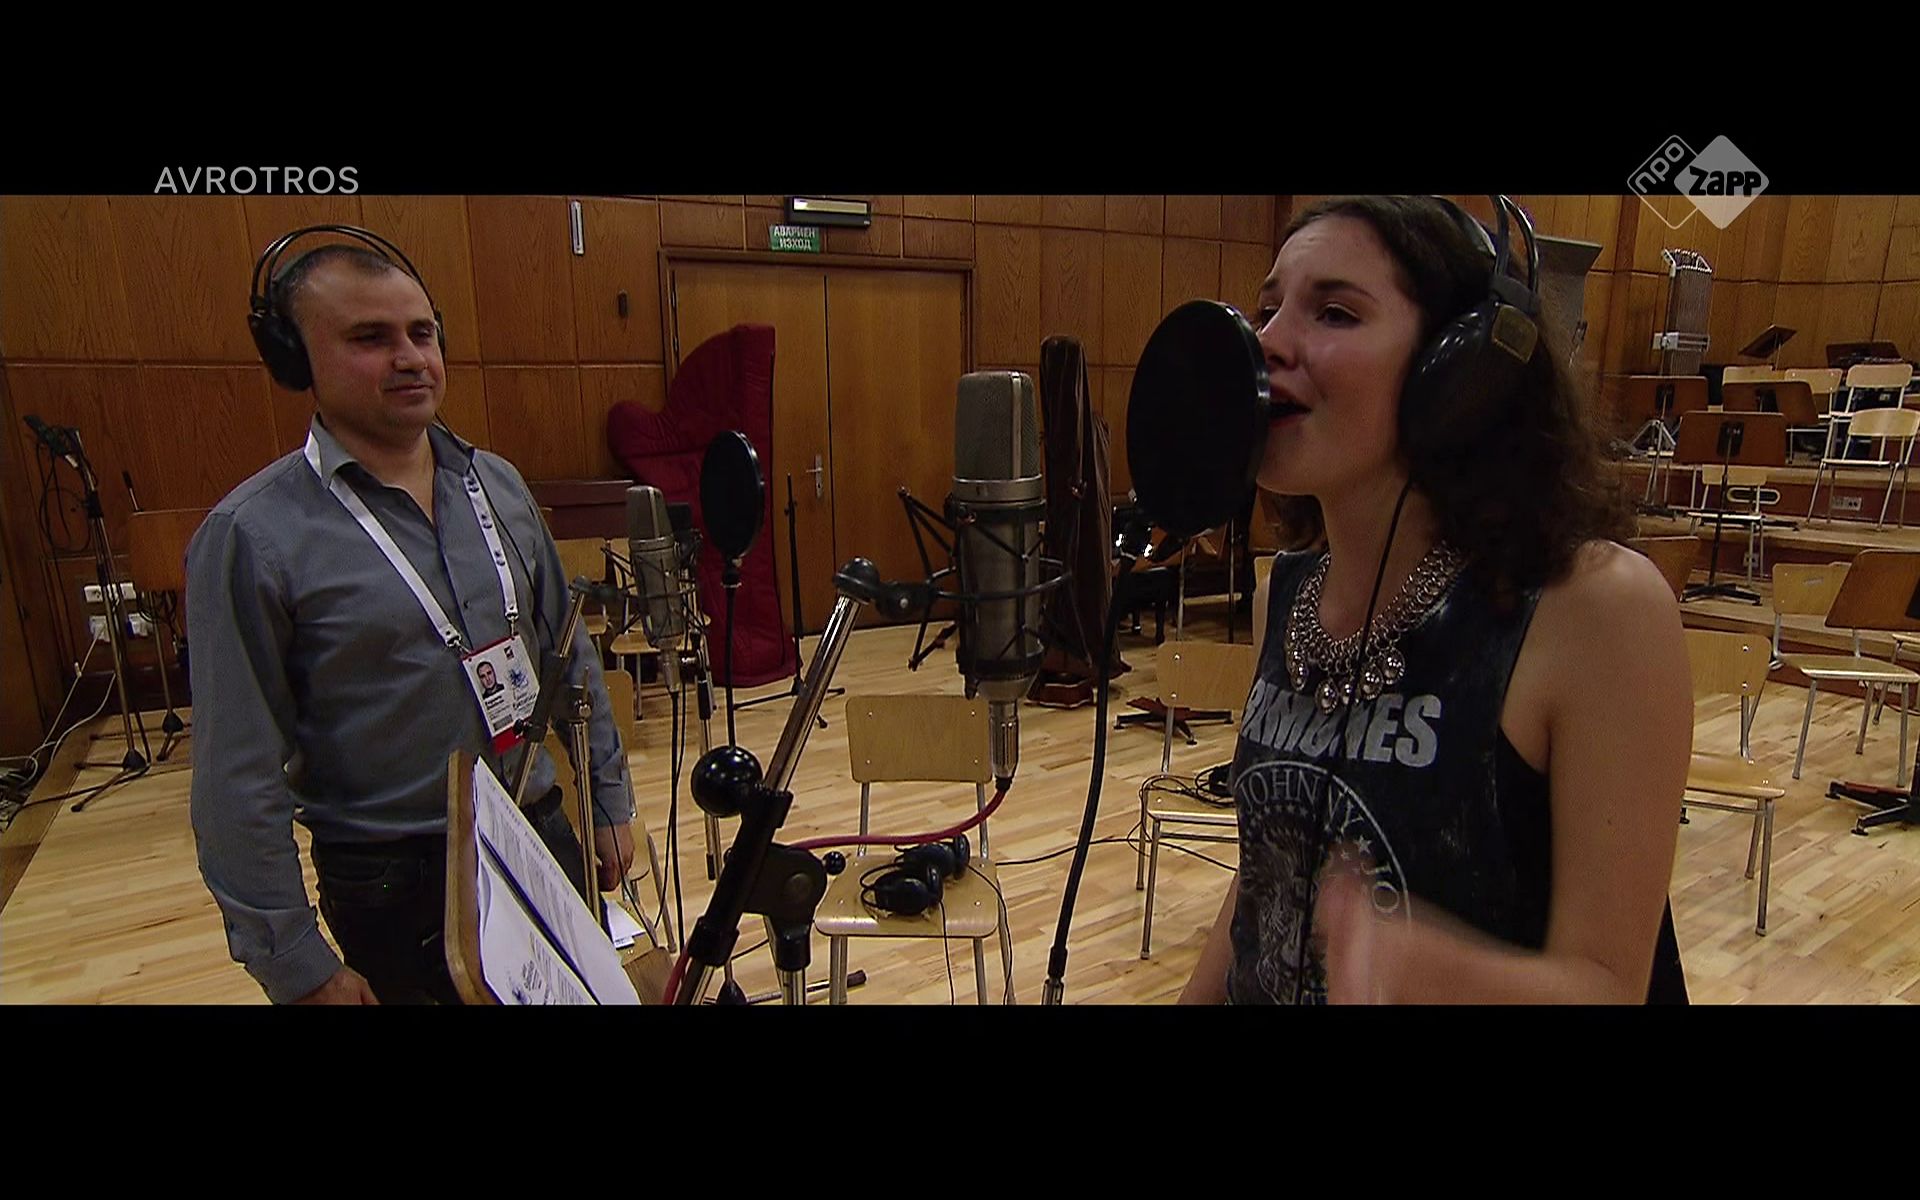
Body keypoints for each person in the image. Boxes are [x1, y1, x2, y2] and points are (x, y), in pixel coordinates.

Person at [1179, 196, 1693, 1005]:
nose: (1266, 342)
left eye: (1335, 312)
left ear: (1460, 376)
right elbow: (1266, 877)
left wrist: (1422, 968)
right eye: (1267, 308)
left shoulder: (1596, 609)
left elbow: (1607, 986)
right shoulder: (1286, 591)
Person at [189, 238, 638, 1005]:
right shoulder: (253, 536)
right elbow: (236, 778)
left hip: (538, 835)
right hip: (396, 884)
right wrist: (296, 963)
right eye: (370, 338)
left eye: (421, 333)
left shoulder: (497, 484)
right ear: (296, 360)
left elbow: (568, 658)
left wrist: (606, 801)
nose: (409, 358)